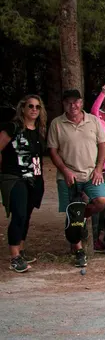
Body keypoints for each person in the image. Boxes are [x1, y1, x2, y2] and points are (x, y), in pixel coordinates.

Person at [48, 89, 105, 268]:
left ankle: (80, 216)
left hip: (91, 173)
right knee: (71, 209)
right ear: (63, 104)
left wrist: (99, 169)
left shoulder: (94, 121)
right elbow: (52, 151)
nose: (73, 105)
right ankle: (79, 251)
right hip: (68, 175)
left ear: (81, 103)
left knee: (102, 201)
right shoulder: (56, 123)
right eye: (68, 102)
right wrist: (65, 171)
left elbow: (102, 146)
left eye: (76, 102)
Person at [0, 95, 46, 273]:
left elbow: (36, 156)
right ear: (23, 108)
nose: (34, 110)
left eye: (37, 107)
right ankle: (14, 257)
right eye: (31, 106)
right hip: (14, 177)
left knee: (26, 215)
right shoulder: (13, 128)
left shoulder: (38, 131)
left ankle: (21, 249)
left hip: (32, 178)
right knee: (18, 214)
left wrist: (38, 179)